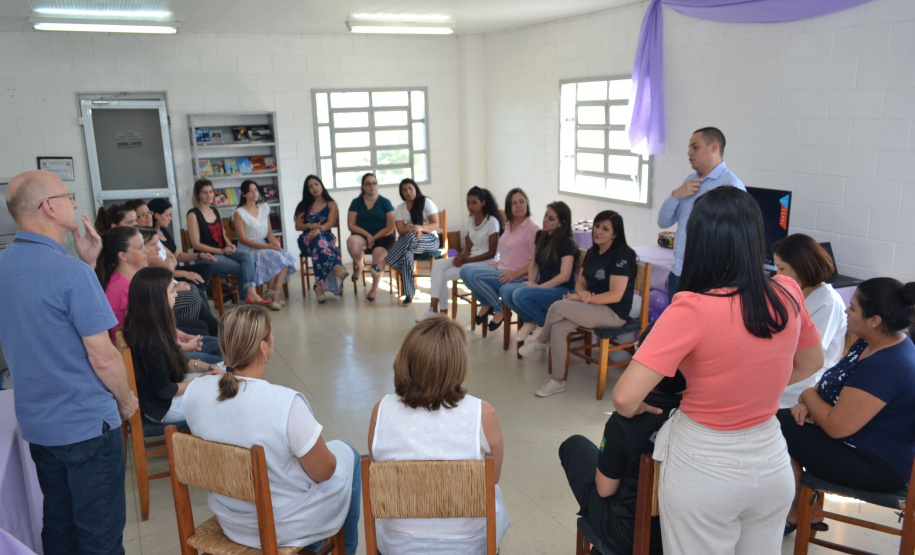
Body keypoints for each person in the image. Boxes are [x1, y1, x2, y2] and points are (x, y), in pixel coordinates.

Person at [612, 186, 823, 554]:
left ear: (700, 241)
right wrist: (756, 387)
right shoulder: (788, 291)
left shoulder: (692, 308)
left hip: (706, 467)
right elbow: (811, 361)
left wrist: (643, 407)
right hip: (772, 461)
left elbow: (625, 398)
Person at [0, 170, 138, 553]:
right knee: (101, 537)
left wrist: (89, 265)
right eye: (68, 195)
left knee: (59, 526)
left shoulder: (5, 266)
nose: (75, 204)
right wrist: (126, 401)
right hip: (86, 426)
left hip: (40, 425)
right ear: (49, 206)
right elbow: (103, 355)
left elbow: (45, 326)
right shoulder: (70, 273)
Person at [182, 306, 361, 554]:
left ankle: (313, 543)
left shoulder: (195, 392)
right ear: (263, 348)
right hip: (281, 525)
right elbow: (324, 472)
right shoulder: (284, 403)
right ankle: (344, 549)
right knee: (347, 453)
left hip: (231, 519)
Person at [779, 278, 915, 534]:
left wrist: (807, 396)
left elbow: (835, 426)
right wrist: (811, 401)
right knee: (782, 423)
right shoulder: (873, 342)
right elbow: (833, 381)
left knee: (774, 426)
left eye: (852, 308)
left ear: (875, 320)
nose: (845, 311)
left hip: (876, 465)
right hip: (857, 444)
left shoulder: (888, 364)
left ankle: (798, 508)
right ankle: (804, 506)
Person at [368, 315, 511, 553]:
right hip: (467, 543)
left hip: (398, 543)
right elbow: (492, 480)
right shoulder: (483, 413)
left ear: (406, 360)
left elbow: (377, 469)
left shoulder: (381, 410)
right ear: (458, 365)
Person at [559, 323, 684, 555]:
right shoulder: (704, 413)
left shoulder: (625, 420)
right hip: (679, 534)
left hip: (629, 535)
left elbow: (605, 490)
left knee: (573, 446)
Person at [520, 210, 637, 398]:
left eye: (605, 229)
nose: (598, 231)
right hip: (591, 306)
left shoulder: (621, 257)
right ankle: (558, 381)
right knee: (558, 328)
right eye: (597, 226)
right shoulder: (593, 251)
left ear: (615, 234)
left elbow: (615, 295)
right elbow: (581, 281)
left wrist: (582, 298)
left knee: (558, 306)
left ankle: (541, 340)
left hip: (612, 312)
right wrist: (582, 294)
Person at [96, 226, 220, 360]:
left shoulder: (124, 279)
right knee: (223, 350)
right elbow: (150, 339)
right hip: (149, 357)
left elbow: (155, 326)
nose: (146, 250)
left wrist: (181, 336)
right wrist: (185, 346)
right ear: (123, 256)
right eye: (140, 248)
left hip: (159, 347)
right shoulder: (129, 287)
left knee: (218, 343)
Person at [125, 267, 223, 424]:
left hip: (164, 396)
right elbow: (165, 391)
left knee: (222, 374)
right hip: (164, 407)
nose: (176, 294)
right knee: (226, 393)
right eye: (172, 291)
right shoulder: (151, 339)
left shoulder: (149, 324)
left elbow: (175, 359)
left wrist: (207, 368)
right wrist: (200, 382)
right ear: (157, 298)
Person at [657, 127, 745, 300]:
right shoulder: (690, 180)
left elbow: (735, 239)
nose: (689, 152)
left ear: (714, 147)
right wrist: (676, 194)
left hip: (707, 278)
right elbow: (663, 221)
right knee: (674, 326)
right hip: (679, 271)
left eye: (695, 147)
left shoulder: (731, 185)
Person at [772, 234, 848, 408]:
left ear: (801, 267)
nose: (777, 274)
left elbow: (810, 357)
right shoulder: (799, 294)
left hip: (805, 382)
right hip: (788, 368)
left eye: (781, 268)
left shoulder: (828, 302)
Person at [416, 186, 503, 321]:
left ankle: (440, 313)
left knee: (442, 276)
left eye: (474, 202)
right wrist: (460, 257)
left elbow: (492, 253)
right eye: (468, 203)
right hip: (471, 259)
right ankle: (433, 310)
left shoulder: (492, 221)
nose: (471, 206)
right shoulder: (470, 220)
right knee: (437, 265)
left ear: (483, 203)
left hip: (487, 262)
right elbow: (468, 247)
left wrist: (466, 261)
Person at [460, 188, 540, 332]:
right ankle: (486, 302)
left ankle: (498, 308)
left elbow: (537, 261)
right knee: (465, 270)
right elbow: (510, 252)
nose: (519, 205)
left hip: (518, 276)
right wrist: (498, 264)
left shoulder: (533, 229)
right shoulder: (509, 224)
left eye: (522, 201)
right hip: (502, 268)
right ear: (509, 207)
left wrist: (516, 274)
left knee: (473, 275)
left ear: (527, 204)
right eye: (514, 203)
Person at [501, 201, 578, 343]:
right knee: (505, 291)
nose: (545, 220)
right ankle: (531, 321)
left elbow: (565, 276)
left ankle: (544, 327)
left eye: (551, 218)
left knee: (519, 295)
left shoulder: (566, 242)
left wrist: (539, 287)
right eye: (545, 216)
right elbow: (534, 263)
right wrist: (532, 281)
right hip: (543, 286)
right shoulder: (540, 235)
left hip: (562, 290)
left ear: (562, 222)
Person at [186, 178, 267, 305]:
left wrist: (230, 245)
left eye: (211, 192)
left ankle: (249, 295)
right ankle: (245, 301)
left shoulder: (215, 211)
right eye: (205, 192)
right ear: (198, 195)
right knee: (243, 268)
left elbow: (222, 234)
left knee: (247, 256)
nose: (209, 195)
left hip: (222, 252)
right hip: (206, 257)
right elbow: (196, 244)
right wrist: (221, 250)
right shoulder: (193, 215)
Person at [233, 179, 296, 310]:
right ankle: (275, 297)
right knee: (274, 257)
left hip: (264, 245)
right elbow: (243, 239)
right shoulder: (239, 213)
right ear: (243, 194)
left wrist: (274, 244)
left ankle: (272, 293)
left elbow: (269, 234)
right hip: (248, 249)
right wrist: (267, 247)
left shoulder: (263, 209)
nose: (254, 193)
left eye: (255, 190)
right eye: (249, 191)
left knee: (285, 256)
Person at [385, 178, 441, 305]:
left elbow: (436, 224)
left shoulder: (426, 202)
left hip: (430, 240)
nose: (408, 192)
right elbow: (400, 230)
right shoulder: (400, 208)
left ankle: (384, 262)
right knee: (406, 252)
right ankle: (409, 293)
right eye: (404, 190)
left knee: (408, 239)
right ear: (401, 193)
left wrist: (420, 228)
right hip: (412, 241)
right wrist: (413, 230)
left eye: (410, 188)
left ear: (415, 188)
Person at [294, 174, 348, 303]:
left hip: (326, 237)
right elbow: (297, 226)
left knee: (319, 245)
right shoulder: (304, 205)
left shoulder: (331, 204)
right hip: (307, 239)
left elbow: (330, 222)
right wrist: (309, 225)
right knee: (318, 242)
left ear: (321, 185)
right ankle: (335, 265)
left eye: (316, 184)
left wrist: (319, 229)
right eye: (310, 187)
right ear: (307, 190)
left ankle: (318, 287)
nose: (314, 188)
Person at [147, 196, 217, 291]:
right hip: (170, 273)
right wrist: (184, 272)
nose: (170, 218)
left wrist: (200, 255)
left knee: (206, 267)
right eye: (167, 215)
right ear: (156, 215)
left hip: (176, 268)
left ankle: (195, 291)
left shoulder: (164, 231)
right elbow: (165, 266)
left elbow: (178, 255)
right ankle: (194, 292)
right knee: (196, 283)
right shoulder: (151, 237)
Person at [347, 173, 395, 301]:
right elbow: (351, 225)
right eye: (368, 184)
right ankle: (360, 266)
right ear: (363, 187)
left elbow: (390, 227)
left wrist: (373, 237)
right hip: (363, 236)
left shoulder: (385, 202)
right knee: (352, 241)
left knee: (378, 255)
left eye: (374, 183)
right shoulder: (356, 202)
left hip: (383, 237)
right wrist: (367, 235)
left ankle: (373, 289)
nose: (372, 186)